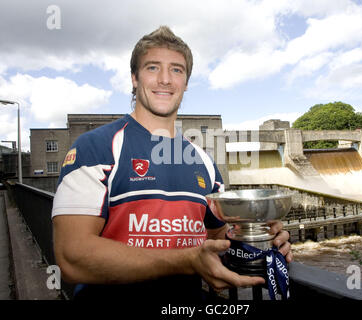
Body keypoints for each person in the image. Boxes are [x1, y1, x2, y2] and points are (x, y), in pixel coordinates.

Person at [52, 25, 293, 301]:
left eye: (177, 70)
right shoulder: (95, 147)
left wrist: (261, 241)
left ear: (186, 82)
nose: (165, 79)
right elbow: (71, 257)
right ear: (134, 78)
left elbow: (218, 242)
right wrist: (187, 260)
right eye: (153, 68)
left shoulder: (203, 161)